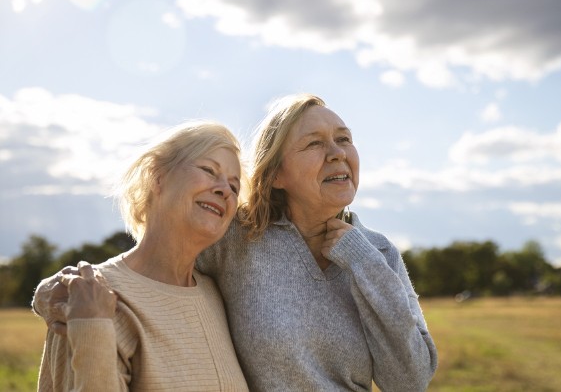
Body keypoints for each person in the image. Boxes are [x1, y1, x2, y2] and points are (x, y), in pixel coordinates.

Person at [34, 94, 438, 391]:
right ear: (276, 174)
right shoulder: (240, 238)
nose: (336, 153)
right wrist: (56, 290)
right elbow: (161, 252)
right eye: (315, 143)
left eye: (344, 139)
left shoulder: (378, 252)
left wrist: (363, 262)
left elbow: (409, 380)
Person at [35, 121, 249, 391]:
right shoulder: (89, 295)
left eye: (234, 186)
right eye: (209, 170)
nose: (224, 190)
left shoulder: (220, 295)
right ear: (157, 177)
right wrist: (90, 326)